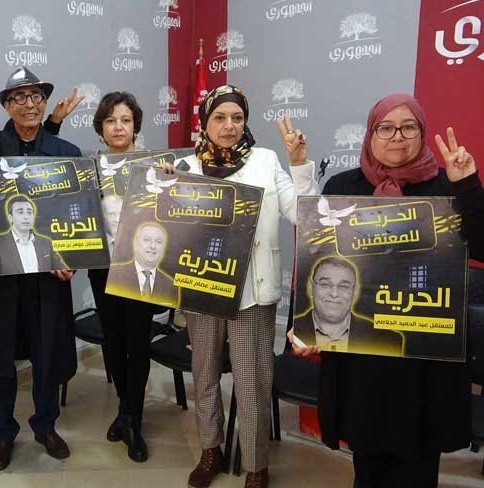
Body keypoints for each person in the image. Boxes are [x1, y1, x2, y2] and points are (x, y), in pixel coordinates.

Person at [289, 93, 481, 488]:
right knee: (367, 463)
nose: (397, 136)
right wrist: (306, 325)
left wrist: (468, 186)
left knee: (418, 466)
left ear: (422, 133)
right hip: (363, 361)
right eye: (386, 127)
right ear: (371, 133)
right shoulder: (344, 186)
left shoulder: (447, 185)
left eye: (408, 127)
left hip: (424, 363)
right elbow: (317, 258)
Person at [175, 85, 319, 488]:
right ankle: (211, 450)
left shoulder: (266, 160)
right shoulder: (186, 166)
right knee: (204, 375)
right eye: (220, 117)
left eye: (237, 118)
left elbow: (303, 214)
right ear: (205, 122)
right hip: (203, 289)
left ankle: (257, 465)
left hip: (252, 294)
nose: (229, 126)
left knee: (252, 381)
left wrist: (299, 164)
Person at [0, 66, 80, 472]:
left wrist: (71, 257)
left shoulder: (66, 152)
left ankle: (46, 425)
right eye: (19, 97)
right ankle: (3, 433)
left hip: (47, 275)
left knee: (47, 352)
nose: (30, 104)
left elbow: (76, 215)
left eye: (36, 96)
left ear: (45, 103)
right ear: (7, 106)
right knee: (0, 355)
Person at [84, 92, 162, 463]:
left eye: (126, 120)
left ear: (136, 126)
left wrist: (170, 181)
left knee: (138, 343)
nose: (119, 127)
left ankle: (134, 420)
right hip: (103, 267)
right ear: (101, 127)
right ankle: (125, 409)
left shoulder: (154, 166)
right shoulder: (90, 168)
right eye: (111, 120)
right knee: (113, 342)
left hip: (142, 267)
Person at [292, 256, 402, 355]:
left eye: (344, 286)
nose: (334, 294)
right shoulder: (290, 333)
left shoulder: (388, 341)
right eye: (325, 284)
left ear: (355, 292)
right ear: (311, 288)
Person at [106, 221, 177, 308]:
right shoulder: (114, 275)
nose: (153, 246)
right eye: (147, 240)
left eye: (158, 242)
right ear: (135, 243)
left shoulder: (171, 285)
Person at [0, 194, 65, 274]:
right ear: (10, 218)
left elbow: (61, 270)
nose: (26, 216)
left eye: (29, 212)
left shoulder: (45, 242)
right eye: (20, 212)